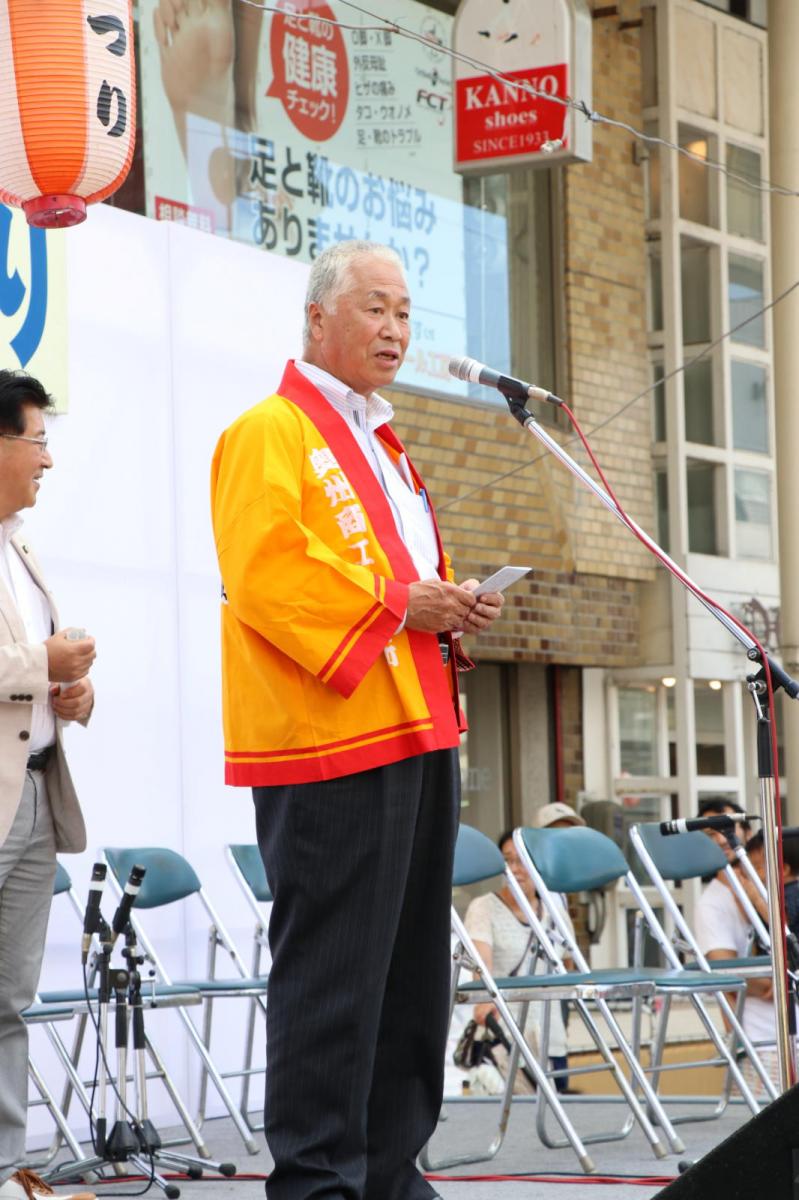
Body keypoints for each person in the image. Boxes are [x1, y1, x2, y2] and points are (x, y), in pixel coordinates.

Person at [210, 240, 504, 1200]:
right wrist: (396, 604)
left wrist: (448, 604)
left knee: (412, 976)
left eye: (406, 312)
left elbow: (392, 582)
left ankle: (388, 1171)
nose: (395, 330)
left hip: (415, 725)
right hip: (325, 738)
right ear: (317, 318)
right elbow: (267, 576)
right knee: (335, 976)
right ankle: (317, 1183)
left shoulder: (385, 442)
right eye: (375, 308)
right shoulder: (270, 431)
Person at [0, 371, 96, 1200]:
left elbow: (32, 674)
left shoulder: (20, 543)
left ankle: (2, 1171)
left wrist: (73, 691)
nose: (48, 460)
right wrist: (41, 665)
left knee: (8, 1000)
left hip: (32, 791)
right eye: (36, 440)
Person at [464, 829, 575, 1095]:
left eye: (522, 860)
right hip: (504, 1039)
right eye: (508, 860)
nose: (515, 869)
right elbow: (481, 967)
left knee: (553, 1119)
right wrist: (483, 999)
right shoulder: (484, 907)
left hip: (551, 1040)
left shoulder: (555, 911)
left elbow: (568, 965)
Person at [694, 802, 777, 1095]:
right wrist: (779, 981)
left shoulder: (777, 888)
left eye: (726, 829)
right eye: (707, 833)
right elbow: (724, 969)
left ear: (747, 832)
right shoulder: (711, 904)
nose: (718, 839)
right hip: (759, 1040)